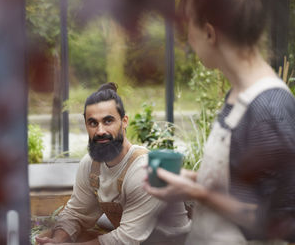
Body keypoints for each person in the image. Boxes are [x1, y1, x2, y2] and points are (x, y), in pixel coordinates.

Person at [143, 0, 295, 244]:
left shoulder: (269, 110)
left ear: (210, 33)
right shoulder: (238, 95)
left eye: (189, 24)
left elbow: (279, 222)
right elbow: (242, 188)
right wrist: (192, 181)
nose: (187, 38)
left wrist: (199, 193)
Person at [36, 82, 191, 245]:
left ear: (124, 121)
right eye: (93, 123)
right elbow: (75, 214)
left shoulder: (144, 170)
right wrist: (56, 241)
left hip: (171, 242)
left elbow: (125, 240)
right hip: (133, 238)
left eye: (108, 121)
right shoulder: (90, 166)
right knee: (53, 233)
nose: (100, 131)